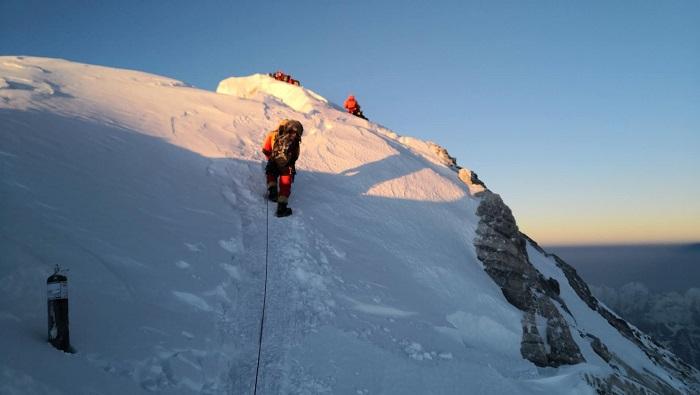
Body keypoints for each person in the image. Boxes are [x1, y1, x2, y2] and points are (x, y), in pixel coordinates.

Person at [262, 119, 303, 217]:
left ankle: (272, 192)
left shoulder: (272, 134)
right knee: (285, 185)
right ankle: (282, 208)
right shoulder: (295, 138)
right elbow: (296, 155)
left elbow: (266, 149)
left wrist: (272, 159)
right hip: (287, 165)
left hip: (273, 161)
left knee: (271, 175)